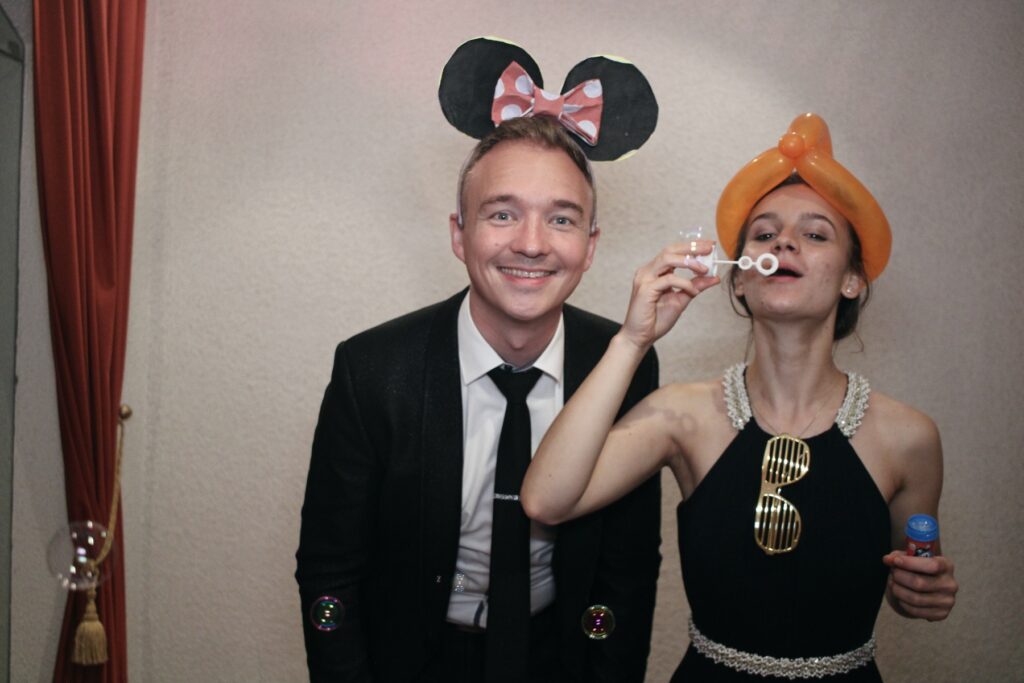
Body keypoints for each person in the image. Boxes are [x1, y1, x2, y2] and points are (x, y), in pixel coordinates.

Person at [522, 113, 958, 682]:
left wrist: (922, 590)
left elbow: (910, 578)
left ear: (853, 279)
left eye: (816, 234)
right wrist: (632, 340)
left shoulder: (909, 439)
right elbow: (546, 500)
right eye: (765, 233)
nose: (784, 242)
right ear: (739, 278)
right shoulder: (682, 417)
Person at [296, 38, 664, 682]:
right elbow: (331, 571)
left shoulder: (624, 362)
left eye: (561, 220)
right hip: (414, 663)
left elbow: (628, 569)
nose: (531, 244)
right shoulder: (371, 372)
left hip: (559, 661)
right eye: (502, 214)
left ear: (590, 246)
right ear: (459, 235)